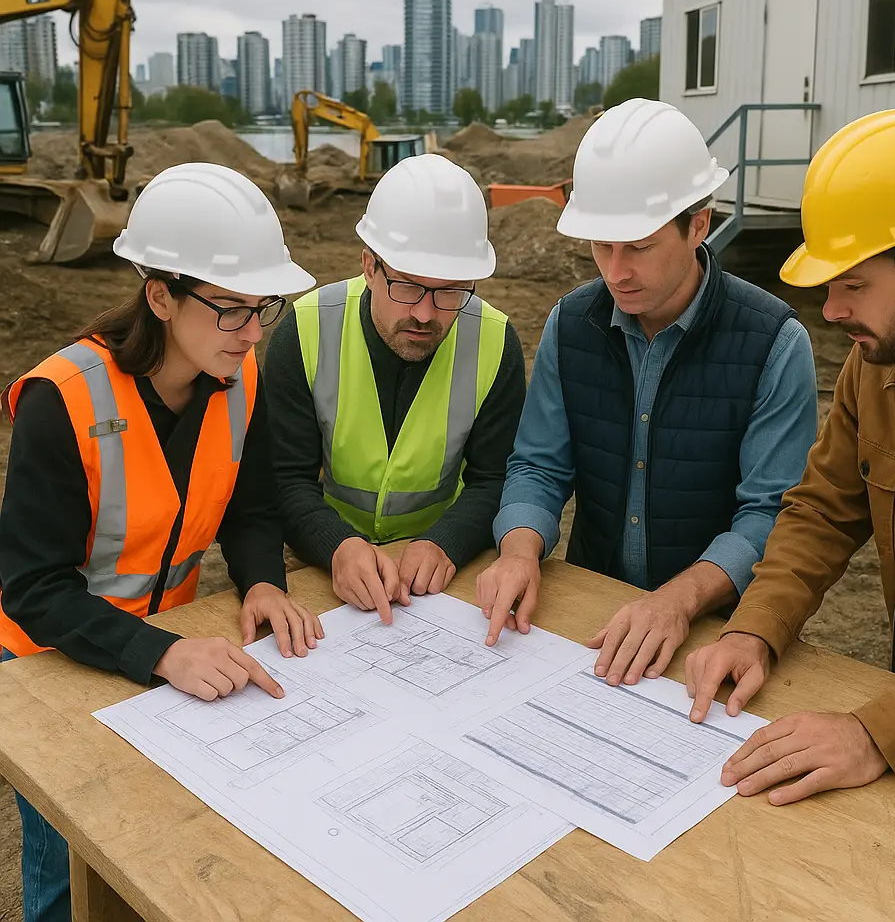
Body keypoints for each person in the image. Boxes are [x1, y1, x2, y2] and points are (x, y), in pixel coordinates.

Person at [0, 161, 323, 922]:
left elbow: (250, 511)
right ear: (160, 296)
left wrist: (264, 582)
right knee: (65, 860)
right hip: (51, 658)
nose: (251, 333)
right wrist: (163, 654)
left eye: (262, 309)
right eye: (230, 310)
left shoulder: (238, 382)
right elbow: (33, 585)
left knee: (151, 849)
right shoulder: (64, 397)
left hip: (161, 641)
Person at [684, 108, 895, 807]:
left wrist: (876, 733)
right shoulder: (882, 363)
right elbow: (822, 512)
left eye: (853, 284)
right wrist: (755, 627)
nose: (828, 310)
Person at [475, 98, 819, 686]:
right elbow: (539, 465)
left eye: (637, 247)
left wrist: (678, 600)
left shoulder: (774, 343)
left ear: (699, 225)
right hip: (591, 608)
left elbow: (770, 514)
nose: (615, 271)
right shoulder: (570, 323)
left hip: (718, 627)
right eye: (601, 246)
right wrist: (519, 550)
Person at [264, 153, 526, 622]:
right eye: (407, 287)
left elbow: (496, 478)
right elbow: (284, 478)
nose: (425, 314)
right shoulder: (305, 330)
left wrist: (447, 540)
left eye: (449, 292)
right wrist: (336, 545)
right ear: (369, 266)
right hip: (326, 563)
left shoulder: (494, 340)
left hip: (435, 570)